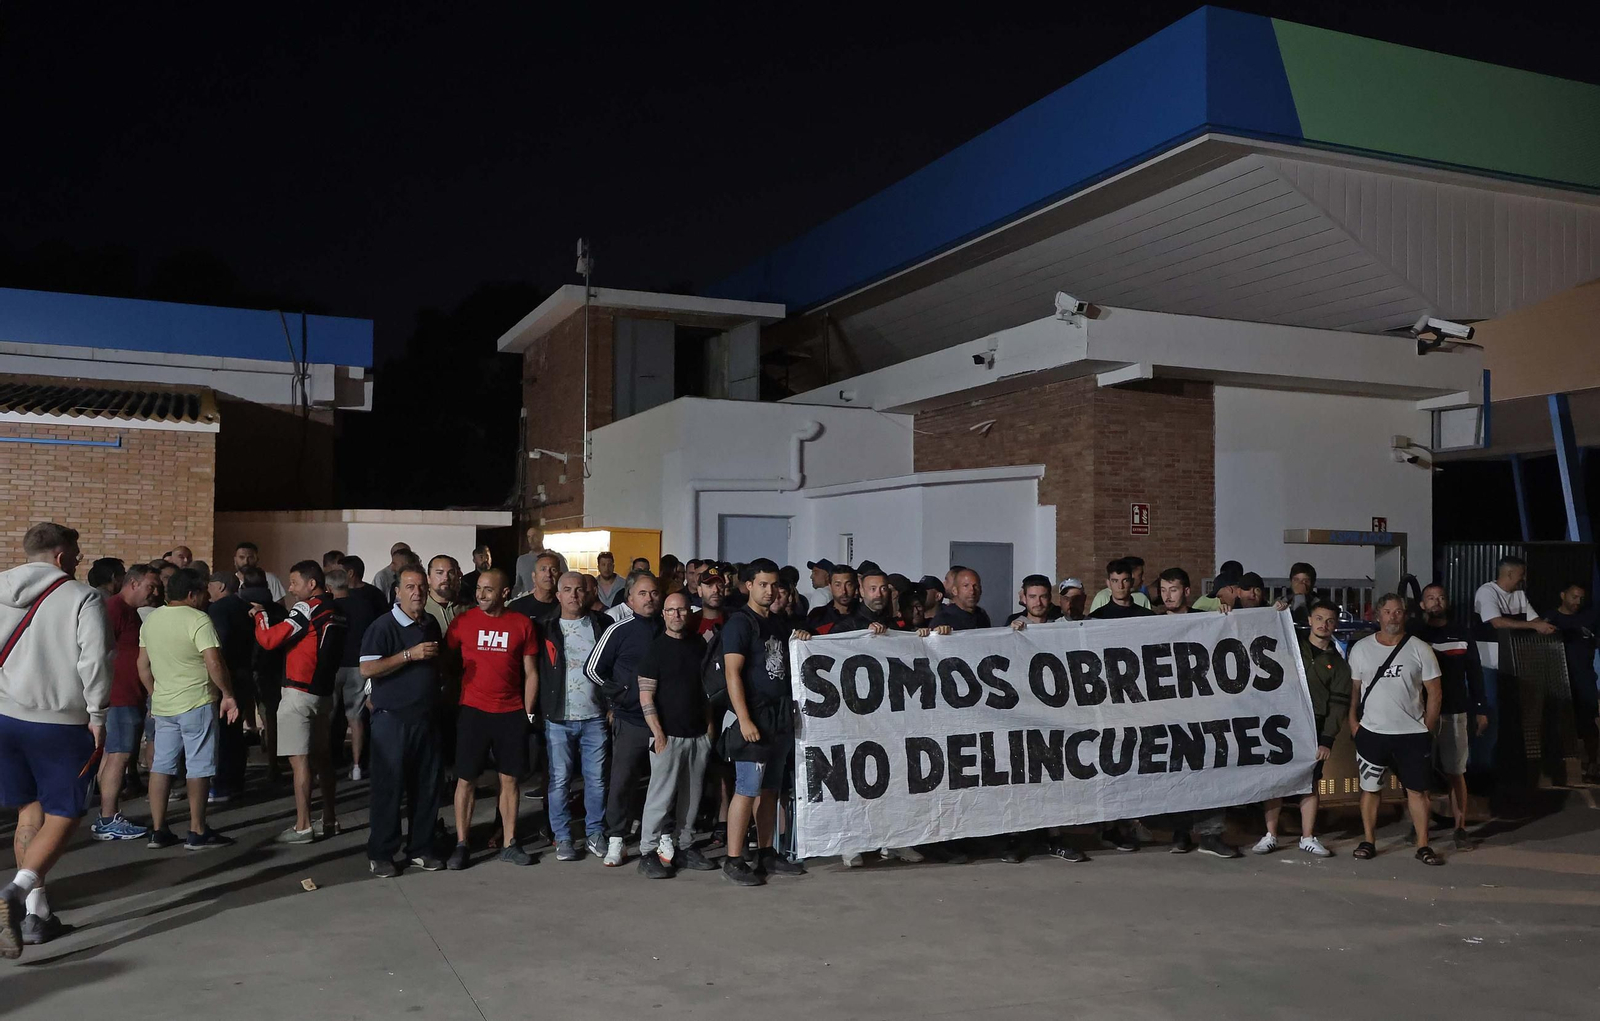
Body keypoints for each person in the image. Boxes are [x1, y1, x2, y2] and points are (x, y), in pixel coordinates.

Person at [0, 523, 113, 956]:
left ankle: (36, 913)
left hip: (5, 718)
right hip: (60, 723)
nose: (81, 560)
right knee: (65, 811)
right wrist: (99, 715)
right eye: (78, 553)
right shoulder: (81, 596)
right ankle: (15, 890)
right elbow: (94, 661)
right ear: (62, 555)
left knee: (29, 810)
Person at [719, 559, 809, 886]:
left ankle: (766, 852)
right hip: (754, 719)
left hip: (779, 718)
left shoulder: (777, 624)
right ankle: (733, 858)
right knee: (746, 789)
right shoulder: (740, 624)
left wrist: (799, 637)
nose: (769, 591)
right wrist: (744, 719)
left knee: (770, 789)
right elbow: (732, 674)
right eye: (762, 585)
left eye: (774, 585)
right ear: (748, 586)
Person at [139, 567, 241, 851]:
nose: (207, 598)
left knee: (161, 766)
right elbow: (214, 662)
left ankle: (158, 830)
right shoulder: (198, 620)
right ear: (191, 594)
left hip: (164, 704)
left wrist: (154, 694)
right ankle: (197, 830)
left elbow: (142, 666)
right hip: (197, 702)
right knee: (199, 766)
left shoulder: (152, 620)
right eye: (203, 593)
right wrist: (227, 693)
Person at [444, 568, 538, 869]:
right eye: (479, 589)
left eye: (488, 590)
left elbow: (531, 672)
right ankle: (462, 843)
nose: (481, 595)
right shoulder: (463, 622)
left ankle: (510, 842)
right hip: (473, 711)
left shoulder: (522, 624)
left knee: (509, 779)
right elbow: (446, 664)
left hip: (511, 713)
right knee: (466, 779)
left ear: (505, 593)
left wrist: (528, 712)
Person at [359, 565, 445, 877]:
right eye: (410, 587)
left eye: (421, 587)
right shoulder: (383, 627)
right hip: (392, 721)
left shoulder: (430, 623)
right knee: (389, 789)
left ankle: (420, 848)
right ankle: (382, 852)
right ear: (397, 592)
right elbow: (367, 670)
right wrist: (408, 655)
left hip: (425, 718)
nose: (417, 592)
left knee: (427, 788)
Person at [1348, 592, 1444, 865]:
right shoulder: (1361, 649)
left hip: (1412, 735)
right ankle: (1368, 840)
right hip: (1372, 733)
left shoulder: (1420, 648)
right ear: (1378, 615)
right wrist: (1354, 723)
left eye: (1398, 611)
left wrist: (1427, 728)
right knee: (1370, 789)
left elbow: (1435, 692)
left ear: (1405, 615)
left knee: (1418, 791)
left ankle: (1423, 844)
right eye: (1388, 611)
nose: (1393, 616)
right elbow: (1354, 691)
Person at [253, 561, 345, 843]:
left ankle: (303, 825)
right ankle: (329, 819)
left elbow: (270, 640)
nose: (290, 589)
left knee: (300, 761)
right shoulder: (337, 610)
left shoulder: (307, 608)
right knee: (323, 760)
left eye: (294, 582)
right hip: (323, 694)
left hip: (298, 693)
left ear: (311, 584)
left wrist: (260, 616)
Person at [1153, 567, 1240, 857]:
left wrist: (1228, 619)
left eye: (1173, 590)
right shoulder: (1148, 625)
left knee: (1211, 771)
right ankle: (1180, 832)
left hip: (1204, 711)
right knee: (1175, 772)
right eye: (1163, 590)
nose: (1167, 596)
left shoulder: (1205, 621)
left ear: (1187, 591)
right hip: (1169, 713)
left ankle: (1210, 834)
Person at [632, 592, 718, 878]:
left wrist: (708, 729)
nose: (677, 615)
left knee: (692, 798)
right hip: (667, 737)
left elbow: (706, 690)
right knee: (660, 797)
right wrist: (658, 734)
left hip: (697, 736)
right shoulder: (655, 650)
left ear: (688, 613)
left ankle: (685, 847)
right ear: (664, 614)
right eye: (671, 611)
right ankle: (648, 851)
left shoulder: (698, 646)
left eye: (682, 610)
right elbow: (646, 695)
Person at [1254, 601, 1348, 858]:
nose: (1323, 624)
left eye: (1329, 620)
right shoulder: (1291, 646)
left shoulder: (1339, 664)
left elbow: (1338, 704)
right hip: (1282, 721)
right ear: (1309, 618)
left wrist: (1327, 739)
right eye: (1319, 618)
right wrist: (1276, 610)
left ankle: (1307, 836)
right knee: (1276, 779)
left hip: (1314, 727)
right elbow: (1266, 633)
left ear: (1335, 624)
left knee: (1310, 782)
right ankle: (1271, 834)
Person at [586, 571, 664, 867]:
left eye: (654, 593)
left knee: (663, 782)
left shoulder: (668, 629)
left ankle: (661, 835)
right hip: (630, 719)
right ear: (629, 599)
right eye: (642, 593)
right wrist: (620, 694)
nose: (649, 598)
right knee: (622, 780)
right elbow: (593, 669)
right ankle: (617, 837)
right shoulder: (619, 630)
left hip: (665, 721)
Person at [541, 571, 612, 860]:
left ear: (589, 592)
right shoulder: (544, 628)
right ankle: (563, 837)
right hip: (558, 718)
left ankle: (595, 832)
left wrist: (612, 705)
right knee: (560, 780)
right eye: (567, 589)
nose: (574, 595)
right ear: (558, 596)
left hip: (595, 716)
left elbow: (615, 667)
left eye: (579, 589)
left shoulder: (602, 625)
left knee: (596, 780)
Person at [1411, 584, 1488, 849]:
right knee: (1419, 773)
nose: (1436, 602)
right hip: (1418, 715)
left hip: (1456, 711)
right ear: (1422, 604)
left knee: (1456, 771)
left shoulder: (1462, 633)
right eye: (1430, 598)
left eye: (1441, 597)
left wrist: (1481, 708)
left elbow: (1475, 673)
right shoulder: (1415, 635)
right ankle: (1420, 825)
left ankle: (1460, 827)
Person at [91, 565, 158, 841]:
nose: (155, 592)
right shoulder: (115, 609)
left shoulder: (130, 613)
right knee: (118, 755)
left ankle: (107, 816)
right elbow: (99, 651)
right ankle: (108, 818)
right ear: (132, 583)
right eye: (150, 586)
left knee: (113, 755)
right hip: (120, 697)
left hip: (127, 695)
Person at [1472, 555, 1556, 771]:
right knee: (1488, 715)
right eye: (1521, 574)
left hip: (1512, 665)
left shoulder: (1519, 595)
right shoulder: (1487, 592)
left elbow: (1533, 620)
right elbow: (1497, 622)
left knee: (1510, 713)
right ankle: (1481, 767)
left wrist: (1546, 625)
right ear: (1509, 574)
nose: (1523, 579)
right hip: (1487, 664)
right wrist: (1533, 627)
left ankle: (1505, 765)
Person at [335, 555, 387, 779]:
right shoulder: (370, 601)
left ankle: (325, 766)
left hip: (337, 666)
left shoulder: (333, 605)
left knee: (328, 717)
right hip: (361, 665)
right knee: (356, 717)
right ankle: (357, 766)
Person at [205, 569, 255, 804]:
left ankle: (223, 783)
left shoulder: (218, 610)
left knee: (224, 732)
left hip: (227, 675)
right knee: (235, 731)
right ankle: (236, 781)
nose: (208, 590)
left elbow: (218, 644)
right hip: (245, 673)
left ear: (221, 587)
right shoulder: (246, 608)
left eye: (211, 585)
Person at [1544, 581, 1599, 783]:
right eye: (1574, 596)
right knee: (1560, 722)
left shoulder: (1590, 617)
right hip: (1558, 679)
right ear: (1563, 595)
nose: (1578, 601)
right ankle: (1561, 766)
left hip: (1584, 678)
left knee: (1589, 723)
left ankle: (1592, 764)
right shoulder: (1551, 618)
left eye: (1581, 598)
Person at [1089, 561, 1155, 620]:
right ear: (1108, 583)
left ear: (1132, 582)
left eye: (1125, 581)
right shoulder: (1096, 617)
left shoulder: (1147, 616)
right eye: (1115, 581)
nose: (1120, 586)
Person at [514, 526, 568, 597]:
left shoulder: (556, 558)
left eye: (534, 536)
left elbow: (566, 581)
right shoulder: (522, 560)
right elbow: (518, 586)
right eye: (529, 537)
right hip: (529, 601)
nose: (531, 540)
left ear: (541, 537)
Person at [805, 562, 861, 631]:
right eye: (838, 585)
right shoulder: (817, 616)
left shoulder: (865, 615)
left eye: (848, 585)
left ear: (855, 586)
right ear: (830, 587)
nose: (843, 591)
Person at [509, 553, 561, 621]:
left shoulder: (565, 607)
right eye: (543, 569)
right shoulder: (517, 607)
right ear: (534, 576)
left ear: (560, 576)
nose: (548, 574)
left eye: (553, 570)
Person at [689, 565, 729, 637]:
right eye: (709, 586)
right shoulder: (690, 623)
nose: (715, 590)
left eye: (720, 585)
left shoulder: (734, 620)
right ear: (700, 590)